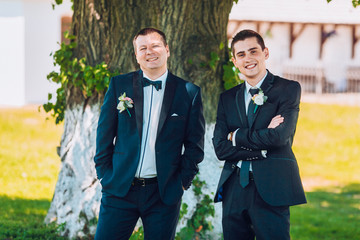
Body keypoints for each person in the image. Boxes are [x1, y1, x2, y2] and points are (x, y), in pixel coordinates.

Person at [94, 27, 205, 240]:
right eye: (142, 48)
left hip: (163, 193)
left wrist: (181, 182)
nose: (149, 52)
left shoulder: (189, 92)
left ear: (167, 50)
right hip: (119, 188)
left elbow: (194, 145)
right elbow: (104, 135)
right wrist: (104, 175)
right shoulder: (119, 85)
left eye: (155, 46)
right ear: (136, 55)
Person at [213, 29, 307, 240]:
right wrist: (261, 147)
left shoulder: (288, 89)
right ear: (235, 61)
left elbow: (279, 137)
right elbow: (220, 147)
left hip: (272, 186)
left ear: (265, 53)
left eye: (253, 51)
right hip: (234, 187)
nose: (248, 58)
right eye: (241, 54)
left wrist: (236, 136)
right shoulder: (227, 98)